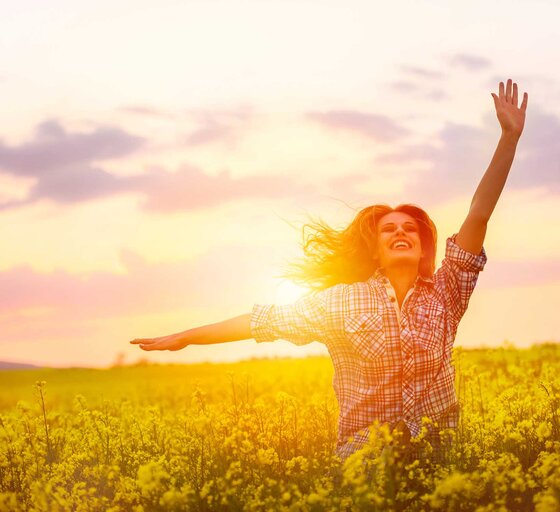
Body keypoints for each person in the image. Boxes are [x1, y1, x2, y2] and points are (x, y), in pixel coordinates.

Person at [130, 79, 528, 463]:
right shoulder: (340, 302)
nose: (401, 232)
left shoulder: (448, 293)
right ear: (375, 250)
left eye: (410, 228)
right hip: (366, 466)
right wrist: (185, 337)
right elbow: (260, 322)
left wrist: (508, 138)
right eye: (389, 229)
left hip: (439, 463)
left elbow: (479, 215)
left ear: (424, 245)